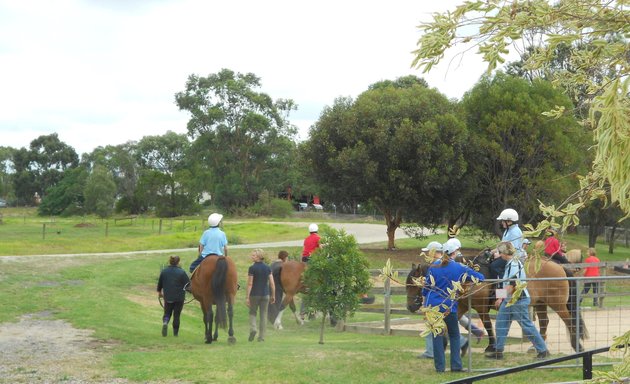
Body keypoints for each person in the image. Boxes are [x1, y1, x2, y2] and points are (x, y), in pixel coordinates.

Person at [422, 238, 485, 372]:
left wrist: (424, 304)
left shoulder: (433, 266)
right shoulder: (459, 267)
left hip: (433, 306)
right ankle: (456, 366)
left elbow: (426, 288)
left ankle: (440, 368)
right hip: (449, 306)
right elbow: (480, 277)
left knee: (437, 336)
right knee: (455, 335)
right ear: (454, 252)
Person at [485, 242, 550, 360]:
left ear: (504, 253)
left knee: (526, 326)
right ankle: (498, 351)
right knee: (501, 323)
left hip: (518, 299)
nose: (498, 255)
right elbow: (505, 283)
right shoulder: (510, 263)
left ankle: (543, 350)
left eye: (499, 252)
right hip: (510, 299)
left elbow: (512, 285)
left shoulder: (513, 264)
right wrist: (502, 298)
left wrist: (500, 298)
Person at [157, 255, 190, 337]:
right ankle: (175, 334)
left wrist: (160, 292)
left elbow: (160, 284)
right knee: (176, 315)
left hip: (168, 296)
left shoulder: (164, 271)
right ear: (178, 262)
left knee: (167, 313)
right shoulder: (182, 272)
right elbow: (188, 285)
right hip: (179, 297)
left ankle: (165, 322)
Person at [246, 248, 275, 342]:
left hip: (254, 294)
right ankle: (261, 337)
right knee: (263, 315)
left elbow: (250, 283)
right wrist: (273, 295)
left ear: (258, 257)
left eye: (253, 255)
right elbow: (272, 283)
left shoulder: (252, 268)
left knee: (252, 312)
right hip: (265, 295)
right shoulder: (267, 268)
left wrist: (247, 297)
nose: (252, 256)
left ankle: (253, 329)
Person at [490, 208, 524, 281]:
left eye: (503, 221)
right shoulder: (508, 230)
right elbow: (503, 246)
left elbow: (512, 250)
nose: (502, 222)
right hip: (505, 255)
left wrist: (499, 254)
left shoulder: (515, 232)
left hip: (513, 257)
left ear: (509, 221)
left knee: (494, 266)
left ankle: (503, 283)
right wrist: (493, 251)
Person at [268, 250, 289, 323]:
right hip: (277, 285)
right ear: (285, 257)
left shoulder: (273, 264)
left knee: (271, 302)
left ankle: (270, 318)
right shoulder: (282, 265)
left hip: (270, 284)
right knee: (277, 302)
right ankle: (274, 320)